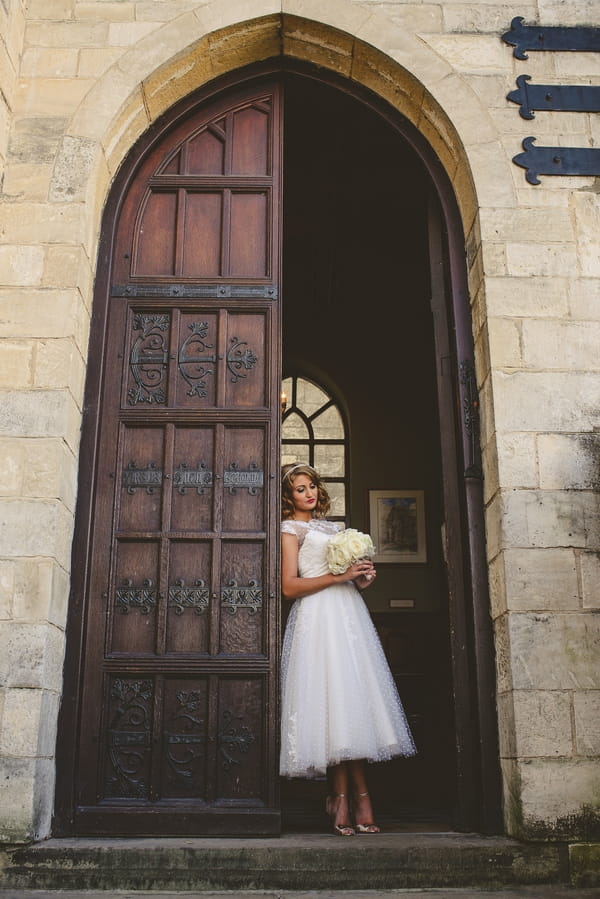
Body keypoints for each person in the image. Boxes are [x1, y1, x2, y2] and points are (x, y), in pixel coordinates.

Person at [280, 462, 416, 836]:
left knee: (352, 706)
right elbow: (289, 587)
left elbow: (351, 581)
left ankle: (348, 798)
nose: (308, 493)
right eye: (299, 489)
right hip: (316, 620)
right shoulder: (289, 530)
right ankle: (352, 798)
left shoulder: (333, 528)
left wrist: (362, 577)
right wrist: (339, 576)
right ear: (288, 496)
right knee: (331, 707)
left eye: (311, 487)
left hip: (348, 616)